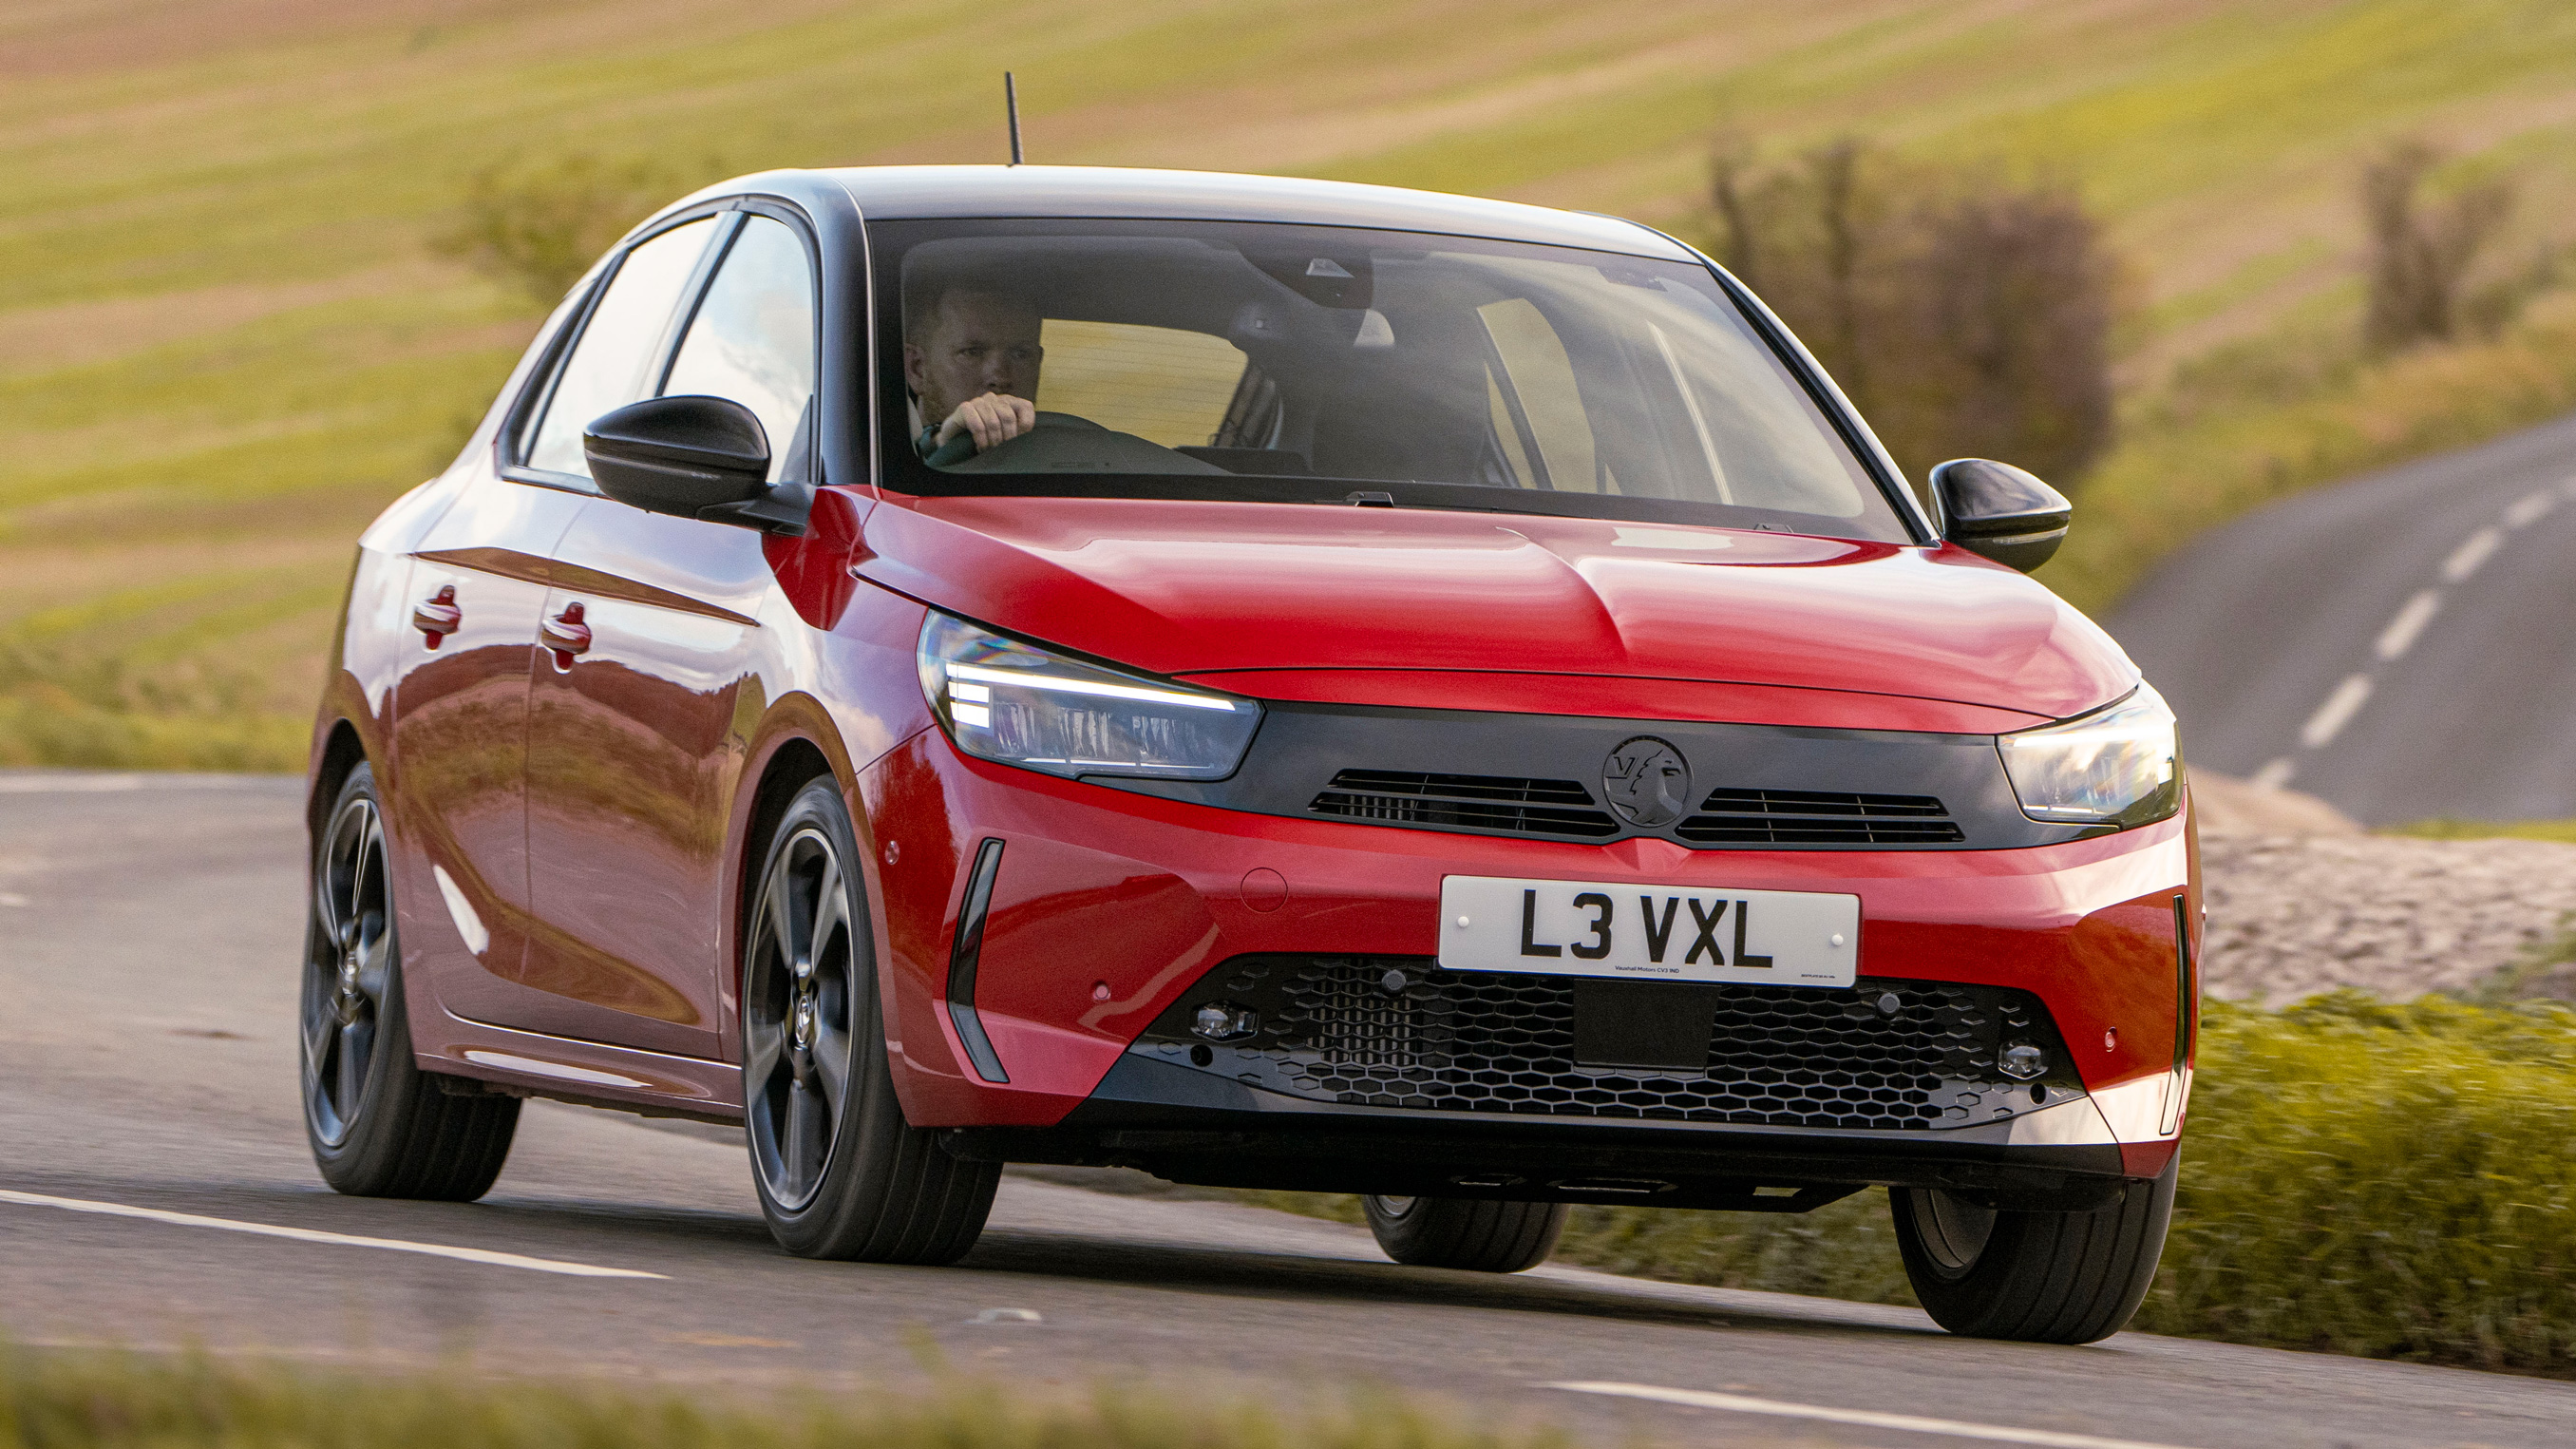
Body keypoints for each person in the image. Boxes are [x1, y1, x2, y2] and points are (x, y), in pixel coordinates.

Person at [903, 284, 1043, 460]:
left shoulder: (1061, 455)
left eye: (1020, 354)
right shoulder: (872, 458)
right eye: (972, 352)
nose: (1000, 378)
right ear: (917, 369)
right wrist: (938, 443)